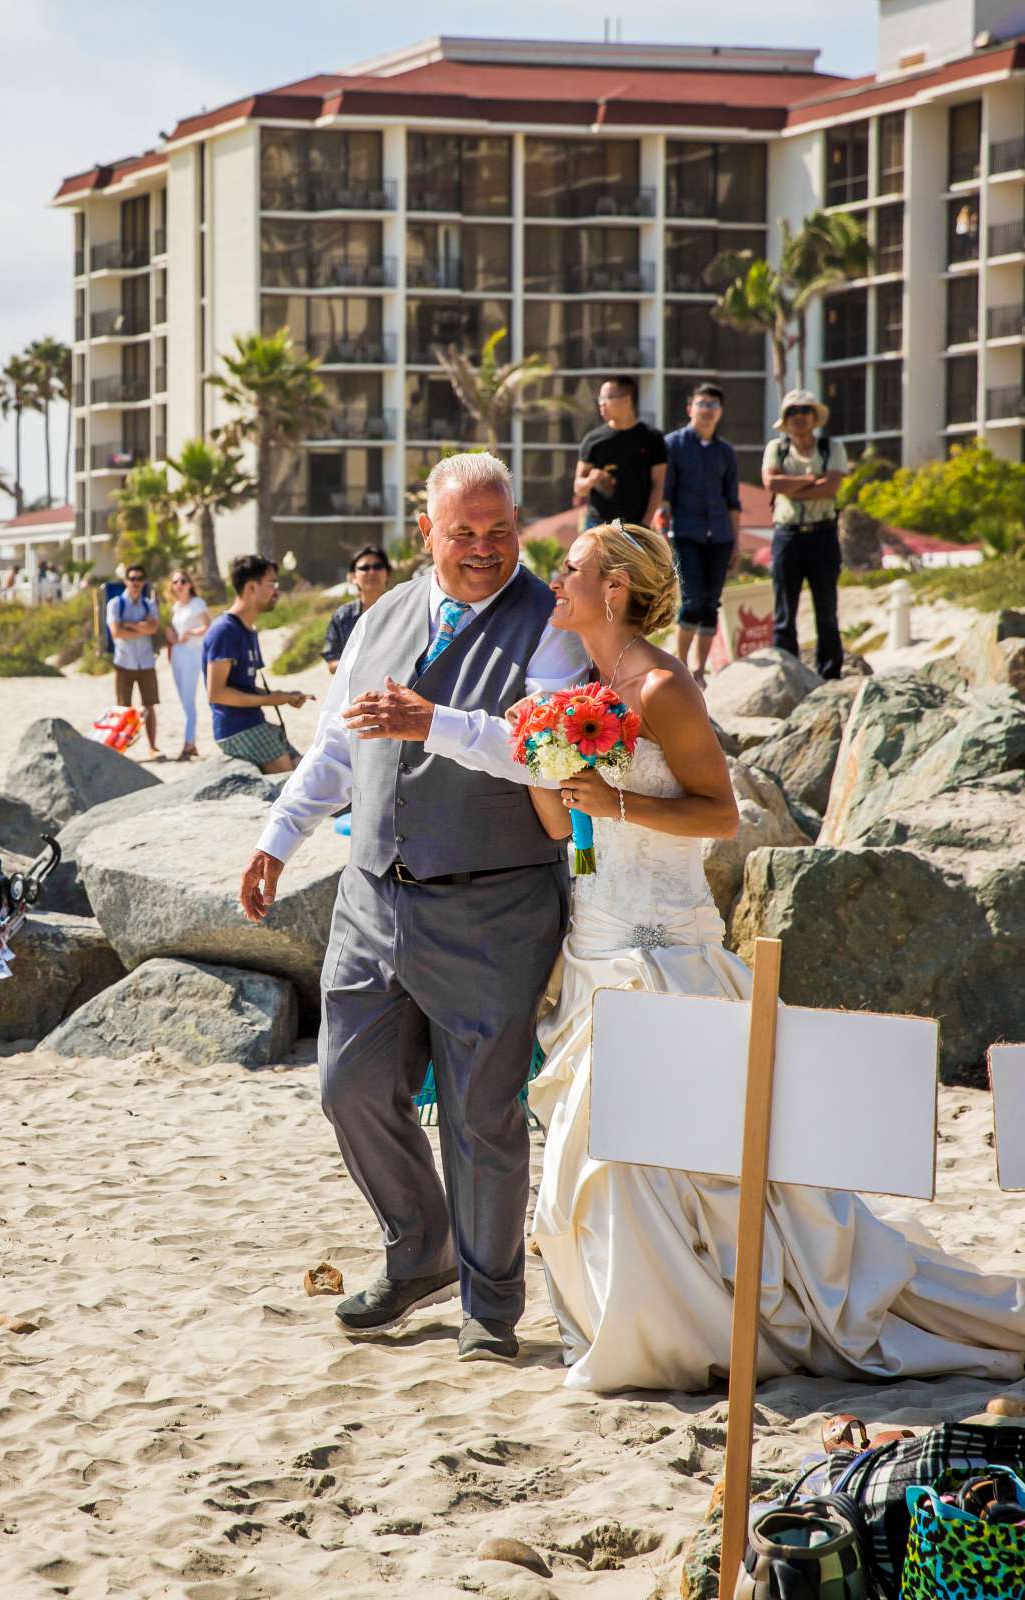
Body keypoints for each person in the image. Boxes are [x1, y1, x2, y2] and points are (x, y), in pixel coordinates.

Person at [520, 518, 1025, 1392]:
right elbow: (558, 825)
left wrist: (615, 807)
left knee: (641, 1145)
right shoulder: (580, 684)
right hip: (595, 943)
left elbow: (719, 816)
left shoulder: (660, 686)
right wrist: (545, 764)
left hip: (663, 954)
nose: (556, 581)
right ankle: (646, 1326)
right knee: (601, 1154)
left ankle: (688, 1331)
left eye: (569, 568)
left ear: (612, 586)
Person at [239, 451, 589, 1361]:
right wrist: (278, 842)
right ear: (424, 534)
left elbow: (541, 751)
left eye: (500, 532)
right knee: (348, 1084)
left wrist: (432, 722)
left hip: (496, 903)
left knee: (482, 1114)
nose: (483, 549)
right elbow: (335, 749)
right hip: (370, 895)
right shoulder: (377, 620)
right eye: (463, 532)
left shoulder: (549, 627)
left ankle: (492, 1304)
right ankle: (420, 1247)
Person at [658, 383, 742, 686]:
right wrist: (662, 524)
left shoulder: (726, 452)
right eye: (702, 403)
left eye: (713, 405)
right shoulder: (674, 445)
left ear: (720, 412)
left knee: (711, 604)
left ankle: (699, 670)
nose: (707, 410)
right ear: (689, 408)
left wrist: (736, 542)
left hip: (720, 536)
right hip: (686, 533)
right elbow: (664, 494)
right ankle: (679, 664)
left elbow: (733, 501)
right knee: (692, 602)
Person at [763, 389, 849, 679]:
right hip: (787, 535)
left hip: (823, 534)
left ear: (814, 416)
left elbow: (832, 488)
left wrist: (793, 487)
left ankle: (830, 674)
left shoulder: (831, 447)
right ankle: (787, 673)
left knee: (826, 609)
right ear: (785, 420)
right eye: (792, 412)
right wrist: (813, 480)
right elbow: (772, 483)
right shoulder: (777, 448)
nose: (798, 416)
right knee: (784, 611)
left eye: (804, 410)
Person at [204, 556, 310, 774]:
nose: (277, 591)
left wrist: (285, 696)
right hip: (238, 728)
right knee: (290, 781)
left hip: (254, 723)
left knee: (307, 769)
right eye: (272, 583)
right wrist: (271, 700)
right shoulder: (224, 631)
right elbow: (217, 693)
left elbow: (243, 687)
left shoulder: (248, 629)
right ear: (252, 587)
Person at [573, 375, 668, 531]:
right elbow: (578, 488)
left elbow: (658, 485)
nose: (601, 403)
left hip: (637, 525)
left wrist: (645, 524)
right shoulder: (593, 439)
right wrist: (591, 480)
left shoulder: (652, 438)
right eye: (600, 398)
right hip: (598, 525)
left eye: (608, 397)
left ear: (627, 400)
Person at [103, 565, 165, 760]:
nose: (136, 582)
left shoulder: (149, 604)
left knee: (150, 706)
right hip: (124, 662)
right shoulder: (115, 604)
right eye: (132, 578)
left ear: (144, 582)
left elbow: (153, 628)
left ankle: (153, 746)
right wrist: (141, 626)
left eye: (139, 578)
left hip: (146, 662)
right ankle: (122, 750)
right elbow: (116, 632)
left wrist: (128, 624)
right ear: (126, 581)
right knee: (124, 708)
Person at [161, 570, 212, 762]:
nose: (179, 584)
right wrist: (170, 634)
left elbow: (208, 626)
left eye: (183, 581)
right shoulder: (176, 607)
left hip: (192, 654)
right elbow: (173, 628)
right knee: (183, 701)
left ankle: (188, 743)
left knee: (189, 700)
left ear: (190, 584)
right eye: (175, 582)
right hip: (177, 655)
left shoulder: (197, 604)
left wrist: (190, 633)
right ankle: (192, 742)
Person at [320, 544, 393, 671]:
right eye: (364, 568)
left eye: (378, 566)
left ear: (388, 573)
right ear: (353, 577)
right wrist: (359, 663)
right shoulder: (343, 615)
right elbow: (331, 663)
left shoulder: (403, 608)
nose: (372, 572)